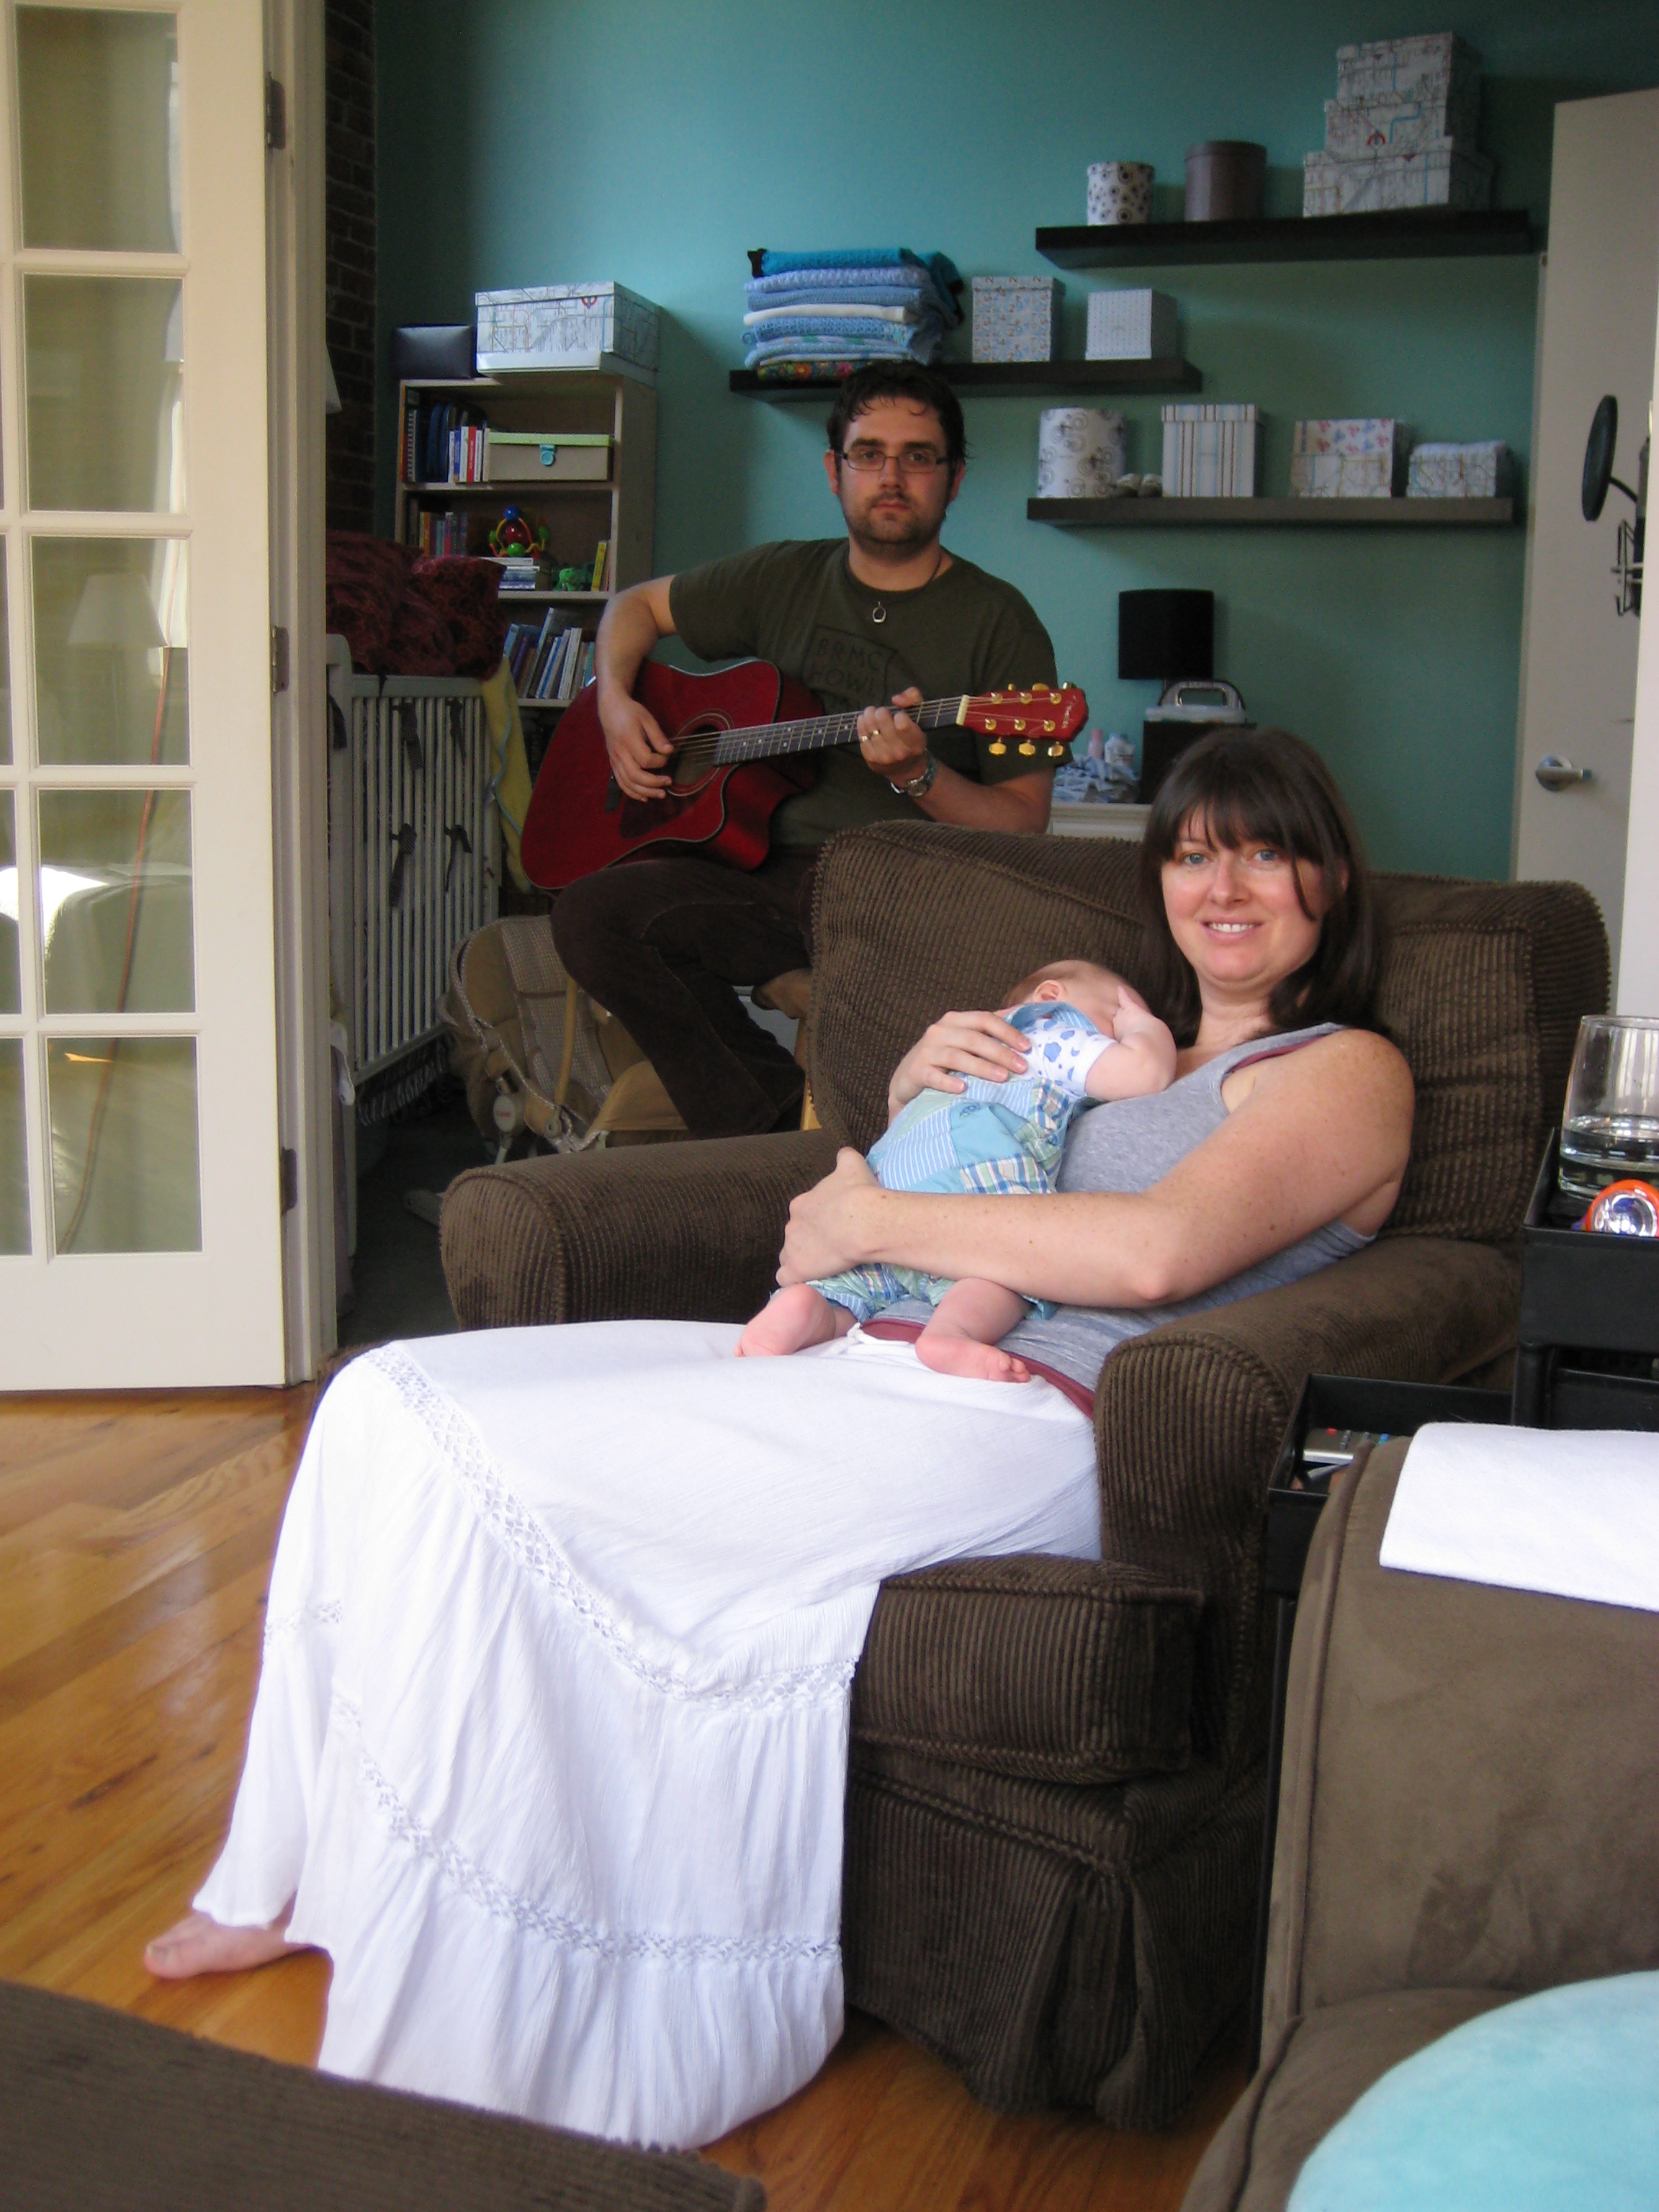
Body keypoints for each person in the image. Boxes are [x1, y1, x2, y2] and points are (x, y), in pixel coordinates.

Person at [144, 728, 1413, 2152]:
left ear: (1332, 878)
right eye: (1192, 853)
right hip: (870, 1349)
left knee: (492, 1474)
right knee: (385, 1402)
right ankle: (294, 1869)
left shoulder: (1340, 1069)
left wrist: (872, 1218)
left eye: (1263, 849)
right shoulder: (1107, 1035)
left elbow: (1163, 1254)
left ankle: (486, 2003)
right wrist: (931, 1091)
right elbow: (961, 1168)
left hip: (1025, 1412)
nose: (1224, 886)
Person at [550, 359, 1059, 1139]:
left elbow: (1024, 823)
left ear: (953, 479)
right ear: (834, 471)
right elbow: (635, 607)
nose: (892, 476)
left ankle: (803, 1088)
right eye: (869, 453)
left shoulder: (1001, 621)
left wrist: (920, 775)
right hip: (763, 878)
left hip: (903, 887)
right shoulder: (783, 576)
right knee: (591, 914)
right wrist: (616, 703)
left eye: (920, 456)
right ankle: (773, 1125)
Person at [737, 959, 1177, 1380]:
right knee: (1005, 1264)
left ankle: (803, 1309)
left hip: (892, 1171)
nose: (1117, 1032)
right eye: (1115, 1015)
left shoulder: (957, 1057)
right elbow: (1143, 1075)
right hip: (972, 1157)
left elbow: (907, 1126)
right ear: (1050, 996)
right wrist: (1144, 1029)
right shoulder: (1050, 1033)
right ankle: (952, 1335)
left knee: (864, 1282)